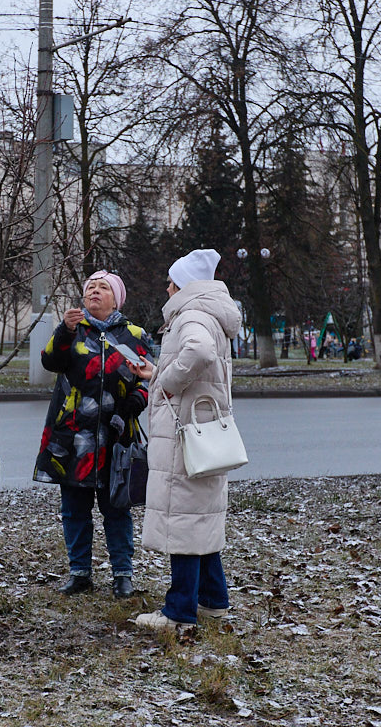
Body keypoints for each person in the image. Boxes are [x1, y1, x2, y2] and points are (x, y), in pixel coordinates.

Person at [124, 248, 242, 633]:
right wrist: (156, 373)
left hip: (185, 437)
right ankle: (213, 601)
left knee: (183, 523)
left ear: (183, 286)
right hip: (203, 432)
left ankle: (178, 613)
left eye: (171, 282)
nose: (166, 288)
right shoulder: (209, 315)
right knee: (201, 519)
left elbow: (199, 353)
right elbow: (201, 364)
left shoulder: (190, 315)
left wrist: (168, 383)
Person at [33, 270, 156, 599]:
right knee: (74, 507)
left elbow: (149, 378)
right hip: (74, 438)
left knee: (116, 507)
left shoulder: (134, 335)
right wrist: (64, 330)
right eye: (91, 287)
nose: (95, 292)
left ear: (117, 298)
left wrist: (137, 400)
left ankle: (122, 575)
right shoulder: (73, 330)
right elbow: (49, 362)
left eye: (103, 288)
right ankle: (80, 573)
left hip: (116, 437)